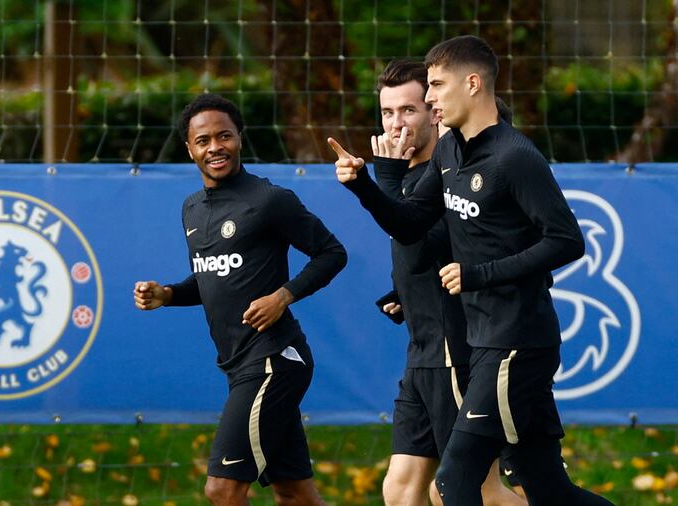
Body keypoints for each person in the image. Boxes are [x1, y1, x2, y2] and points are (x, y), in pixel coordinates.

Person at [328, 36, 613, 505]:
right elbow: (409, 223)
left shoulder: (514, 157)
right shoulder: (451, 152)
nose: (432, 96)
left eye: (436, 85)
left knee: (454, 482)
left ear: (473, 83)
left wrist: (479, 274)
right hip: (486, 341)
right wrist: (364, 183)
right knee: (547, 489)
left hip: (516, 344)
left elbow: (567, 241)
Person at [134, 94, 346, 506]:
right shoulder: (192, 209)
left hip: (272, 361)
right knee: (295, 493)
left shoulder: (269, 200)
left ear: (239, 139)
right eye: (204, 140)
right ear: (190, 149)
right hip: (241, 365)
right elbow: (213, 279)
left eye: (224, 136)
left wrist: (283, 297)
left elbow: (332, 252)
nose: (215, 147)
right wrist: (168, 294)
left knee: (223, 489)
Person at [367, 59, 525, 506]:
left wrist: (387, 179)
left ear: (434, 111)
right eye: (387, 113)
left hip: (456, 352)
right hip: (421, 354)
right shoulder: (413, 178)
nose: (396, 125)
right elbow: (425, 256)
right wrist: (404, 294)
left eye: (408, 110)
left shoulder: (445, 176)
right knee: (400, 491)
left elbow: (422, 239)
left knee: (472, 491)